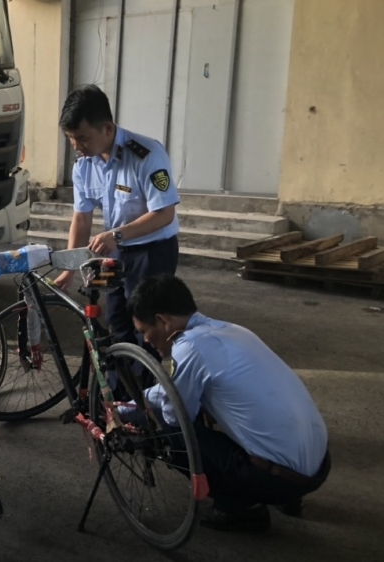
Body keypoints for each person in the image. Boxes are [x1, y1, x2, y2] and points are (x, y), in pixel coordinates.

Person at [127, 274, 330, 533]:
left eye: (144, 331)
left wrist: (131, 410)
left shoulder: (190, 347)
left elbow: (175, 413)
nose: (145, 340)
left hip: (281, 479)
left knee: (171, 433)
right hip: (319, 465)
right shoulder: (232, 330)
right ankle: (288, 498)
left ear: (163, 321)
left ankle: (243, 509)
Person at [54, 85, 180, 349]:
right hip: (116, 252)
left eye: (83, 138)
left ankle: (146, 377)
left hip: (152, 253)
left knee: (145, 330)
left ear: (108, 129)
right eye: (71, 139)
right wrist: (69, 268)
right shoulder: (83, 165)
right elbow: (82, 218)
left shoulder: (146, 154)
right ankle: (118, 377)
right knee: (115, 322)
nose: (77, 146)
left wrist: (116, 234)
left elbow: (164, 214)